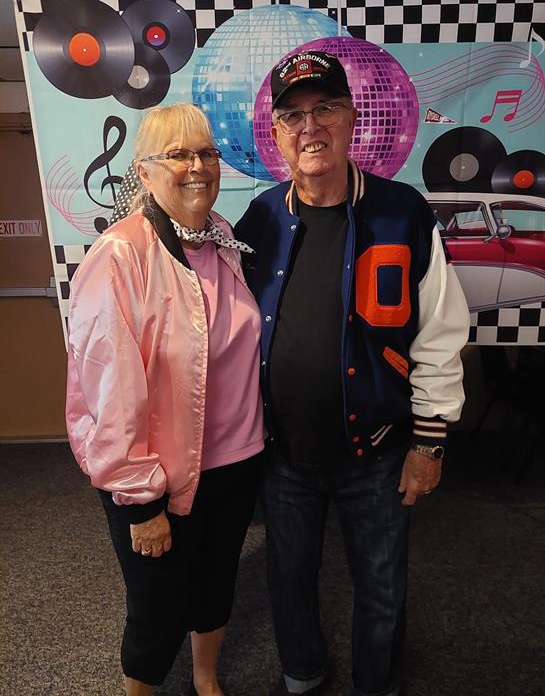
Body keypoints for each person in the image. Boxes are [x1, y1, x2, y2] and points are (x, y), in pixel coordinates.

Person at [234, 51, 470, 696]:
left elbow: (441, 330)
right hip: (283, 453)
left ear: (352, 119)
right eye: (293, 116)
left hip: (380, 451)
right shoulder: (259, 218)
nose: (310, 127)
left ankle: (377, 684)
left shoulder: (402, 212)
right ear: (277, 133)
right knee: (288, 580)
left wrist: (429, 442)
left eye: (325, 109)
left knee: (382, 585)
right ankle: (303, 675)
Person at [65, 103, 264, 696]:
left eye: (206, 153)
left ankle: (206, 681)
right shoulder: (120, 255)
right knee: (156, 608)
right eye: (178, 154)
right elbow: (109, 391)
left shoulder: (224, 239)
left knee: (215, 586)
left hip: (237, 461)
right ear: (145, 171)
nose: (197, 166)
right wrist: (139, 503)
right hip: (158, 476)